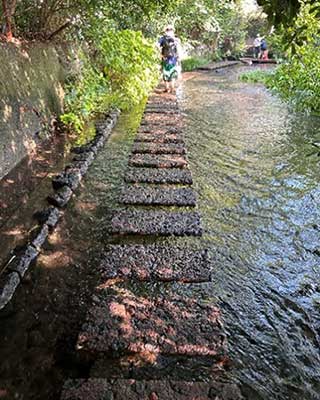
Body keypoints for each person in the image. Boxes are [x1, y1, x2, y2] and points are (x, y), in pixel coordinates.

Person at [159, 25, 180, 93]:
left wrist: (160, 55)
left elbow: (157, 46)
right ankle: (171, 88)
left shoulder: (163, 39)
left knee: (167, 73)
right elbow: (178, 50)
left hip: (167, 59)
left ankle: (168, 88)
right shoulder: (176, 39)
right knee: (171, 73)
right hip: (172, 59)